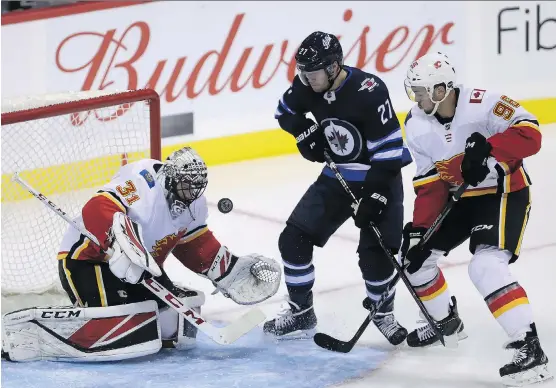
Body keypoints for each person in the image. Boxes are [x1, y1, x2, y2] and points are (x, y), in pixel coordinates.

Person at [2, 146, 281, 362]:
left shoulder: (194, 204)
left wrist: (228, 269)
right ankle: (41, 332)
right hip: (89, 261)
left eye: (198, 186)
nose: (193, 192)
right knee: (124, 320)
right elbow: (97, 207)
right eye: (187, 184)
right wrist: (120, 244)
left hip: (142, 269)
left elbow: (193, 245)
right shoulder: (142, 182)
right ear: (171, 178)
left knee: (170, 321)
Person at [401, 51, 551, 386]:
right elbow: (429, 184)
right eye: (415, 91)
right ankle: (445, 323)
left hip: (503, 193)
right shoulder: (415, 124)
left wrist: (488, 149)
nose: (418, 98)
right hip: (461, 200)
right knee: (413, 262)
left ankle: (531, 348)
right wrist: (419, 230)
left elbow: (531, 134)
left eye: (424, 91)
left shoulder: (484, 103)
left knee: (485, 265)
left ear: (443, 89)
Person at [263, 31, 412, 345]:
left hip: (378, 177)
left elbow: (388, 153)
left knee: (376, 254)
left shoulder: (368, 91)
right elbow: (284, 112)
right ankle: (302, 311)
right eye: (302, 71)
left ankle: (383, 313)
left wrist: (374, 197)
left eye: (312, 71)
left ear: (333, 67)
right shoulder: (306, 85)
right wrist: (304, 131)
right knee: (293, 238)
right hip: (336, 178)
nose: (306, 78)